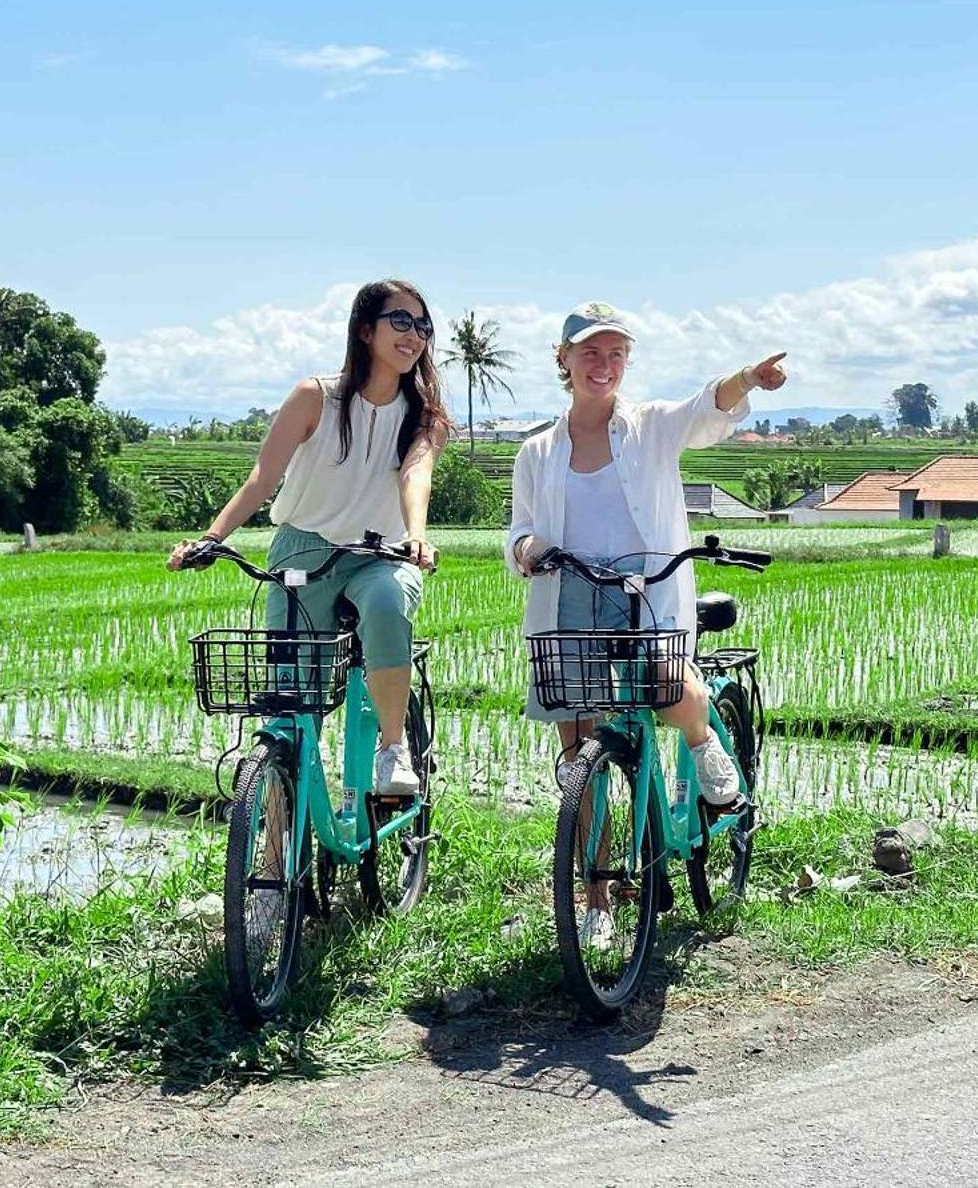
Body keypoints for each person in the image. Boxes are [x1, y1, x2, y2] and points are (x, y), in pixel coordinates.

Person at [507, 301, 787, 943]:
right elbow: (521, 529)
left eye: (616, 354)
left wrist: (746, 377)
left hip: (648, 593)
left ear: (626, 363)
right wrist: (525, 550)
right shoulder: (537, 451)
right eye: (590, 353)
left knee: (664, 678)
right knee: (579, 752)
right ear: (564, 359)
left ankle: (706, 750)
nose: (603, 366)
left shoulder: (651, 428)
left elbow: (704, 406)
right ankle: (597, 899)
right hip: (569, 596)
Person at [170, 279, 451, 795]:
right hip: (303, 548)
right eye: (401, 321)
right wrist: (210, 537)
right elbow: (262, 477)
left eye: (423, 326)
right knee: (292, 705)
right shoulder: (313, 398)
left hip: (380, 552)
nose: (414, 335)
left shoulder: (425, 415)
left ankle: (393, 749)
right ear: (365, 330)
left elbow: (416, 475)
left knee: (389, 603)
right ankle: (278, 854)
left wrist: (416, 537)